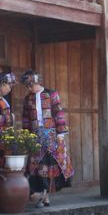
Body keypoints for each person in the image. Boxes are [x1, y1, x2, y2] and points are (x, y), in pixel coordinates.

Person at [21, 70, 74, 207]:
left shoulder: (51, 94)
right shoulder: (28, 99)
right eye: (27, 85)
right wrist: (27, 136)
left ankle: (46, 195)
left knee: (50, 165)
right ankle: (41, 194)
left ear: (37, 82)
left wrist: (61, 133)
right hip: (36, 136)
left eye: (30, 84)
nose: (29, 88)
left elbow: (58, 113)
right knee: (37, 166)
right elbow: (26, 118)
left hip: (51, 135)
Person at [0, 72, 17, 169]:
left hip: (5, 132)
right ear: (2, 84)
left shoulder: (2, 99)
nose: (9, 89)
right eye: (9, 86)